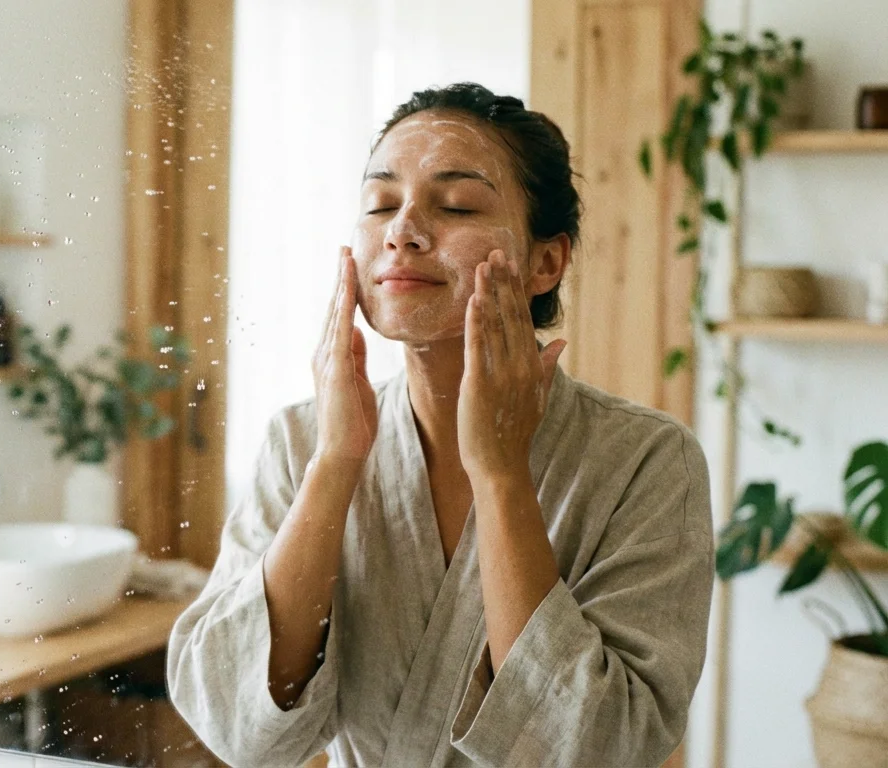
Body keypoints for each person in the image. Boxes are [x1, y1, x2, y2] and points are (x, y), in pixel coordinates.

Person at [168, 83, 714, 767]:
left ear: (546, 261)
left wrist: (502, 473)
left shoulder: (647, 462)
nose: (403, 230)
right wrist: (336, 463)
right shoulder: (302, 443)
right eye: (380, 204)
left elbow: (600, 747)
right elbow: (238, 729)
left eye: (456, 205)